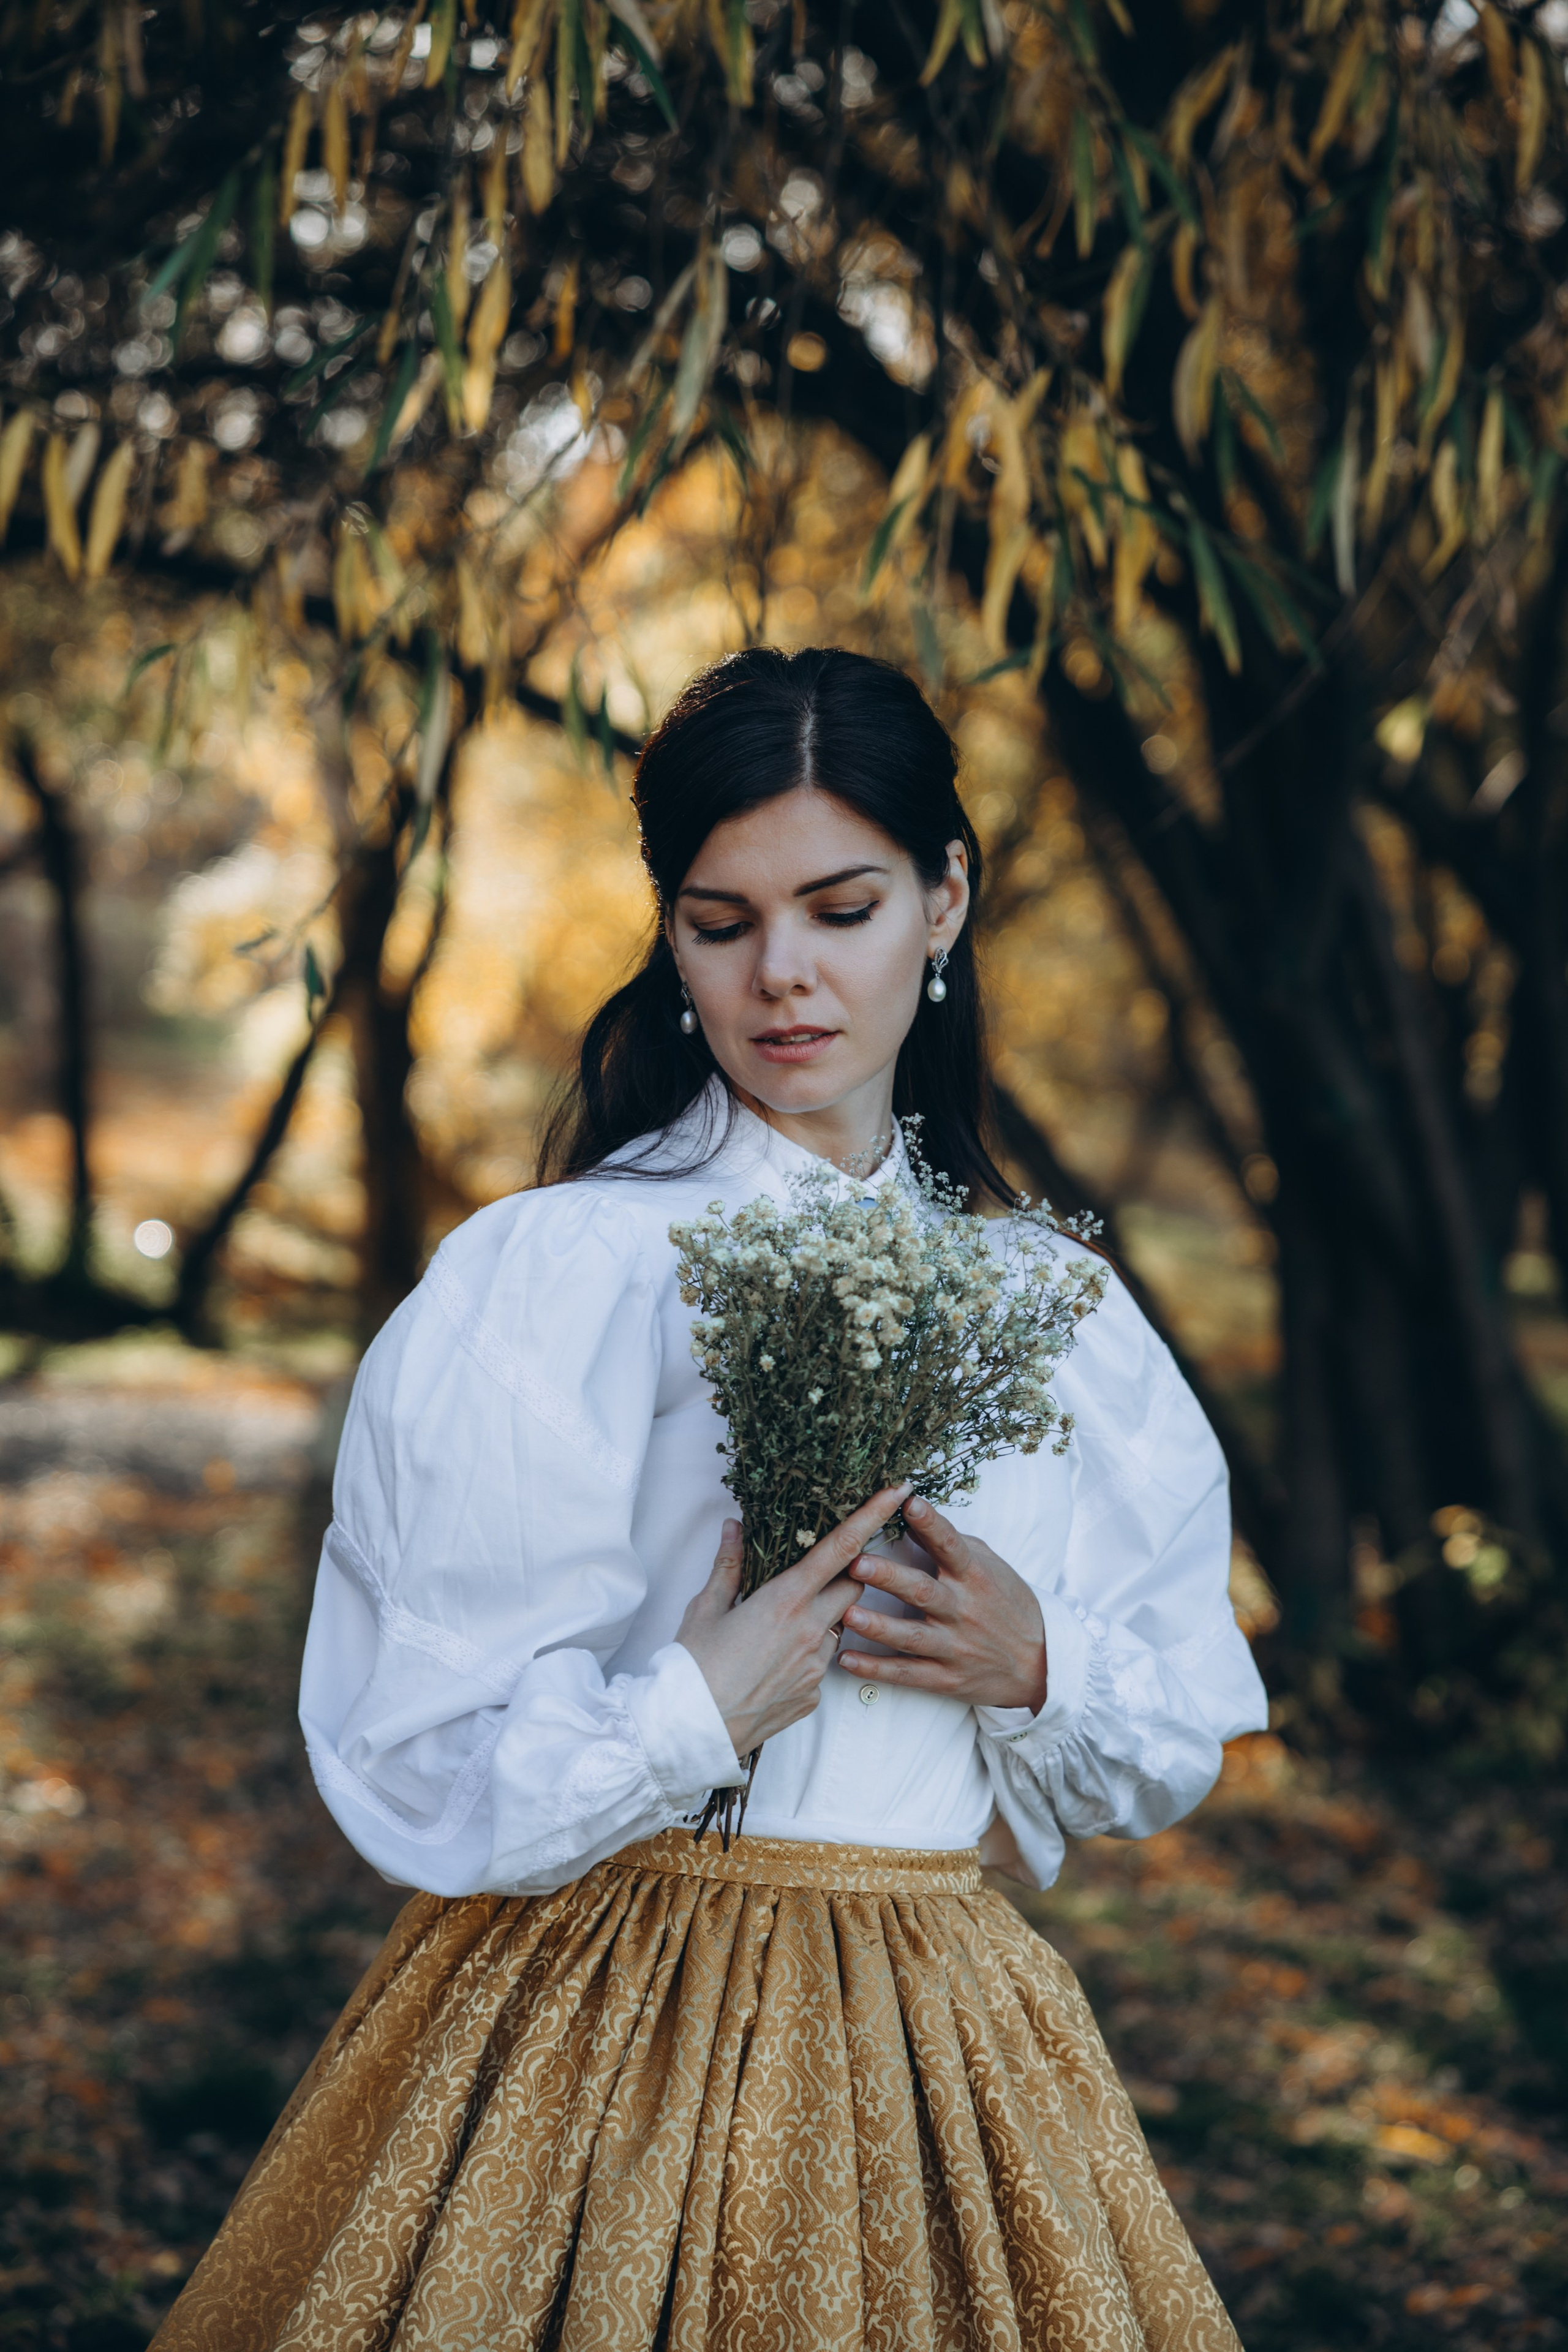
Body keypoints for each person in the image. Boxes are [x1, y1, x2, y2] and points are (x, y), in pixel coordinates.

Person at [153, 646, 1267, 2352]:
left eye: (843, 906)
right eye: (722, 919)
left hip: (930, 2040)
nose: (784, 976)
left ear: (945, 900)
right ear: (668, 932)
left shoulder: (1060, 1306)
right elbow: (418, 1753)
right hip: (596, 2029)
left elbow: (1170, 1732)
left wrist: (1039, 1663)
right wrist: (690, 1709)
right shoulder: (558, 1275)